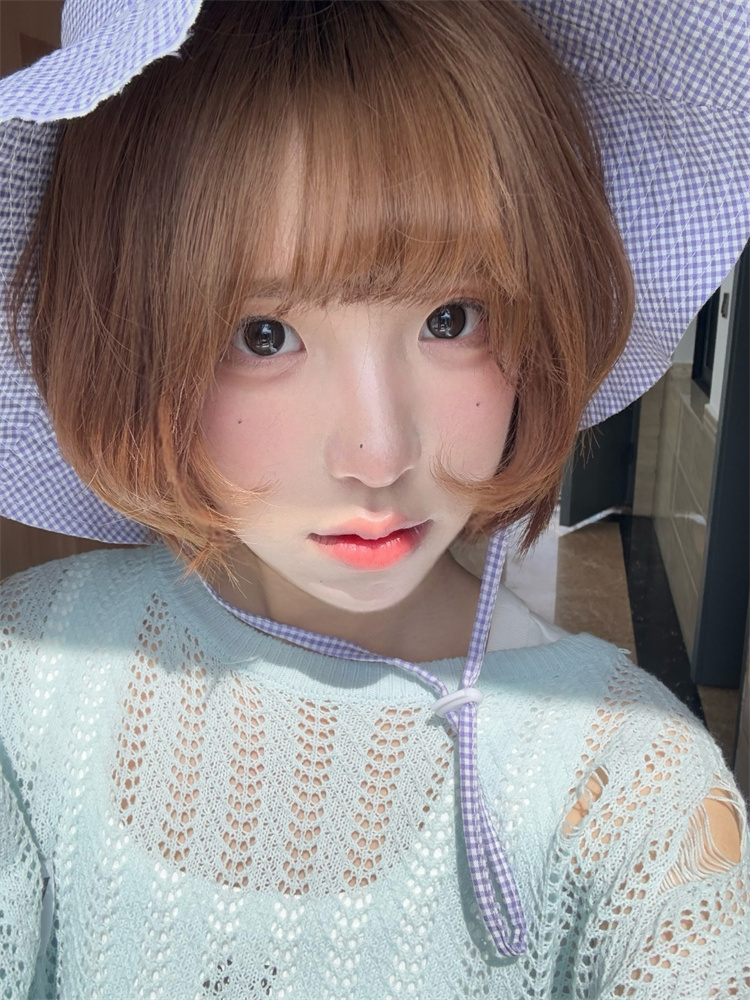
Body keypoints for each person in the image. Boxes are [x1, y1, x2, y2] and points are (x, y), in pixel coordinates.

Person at [0, 1, 748, 997]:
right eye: (264, 335)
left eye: (452, 317)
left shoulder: (633, 783)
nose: (379, 451)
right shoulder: (28, 686)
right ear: (124, 333)